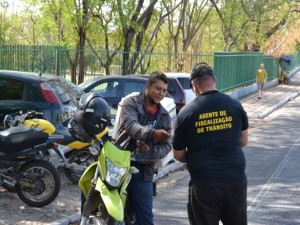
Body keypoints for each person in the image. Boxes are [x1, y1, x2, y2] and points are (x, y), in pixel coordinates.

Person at [172, 62, 249, 225]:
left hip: (203, 183)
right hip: (235, 180)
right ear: (214, 80)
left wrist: (198, 155)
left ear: (194, 85)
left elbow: (178, 154)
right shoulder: (235, 105)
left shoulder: (186, 112)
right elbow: (243, 141)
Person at [113, 71, 172, 225]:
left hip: (144, 170)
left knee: (145, 218)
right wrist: (153, 134)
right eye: (158, 89)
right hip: (118, 164)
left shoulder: (164, 115)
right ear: (148, 86)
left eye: (164, 90)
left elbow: (167, 145)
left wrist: (149, 151)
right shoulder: (130, 103)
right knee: (105, 207)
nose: (161, 93)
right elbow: (132, 127)